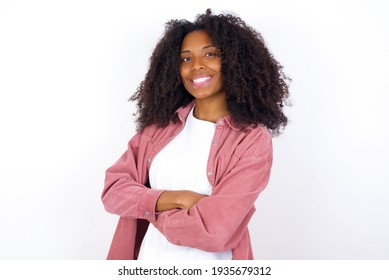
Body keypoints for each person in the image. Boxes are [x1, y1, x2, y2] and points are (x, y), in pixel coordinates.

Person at [101, 8, 289, 260]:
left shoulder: (251, 139)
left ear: (234, 62)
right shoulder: (160, 127)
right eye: (185, 59)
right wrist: (178, 198)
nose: (196, 66)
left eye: (210, 54)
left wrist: (147, 208)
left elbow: (214, 231)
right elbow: (113, 191)